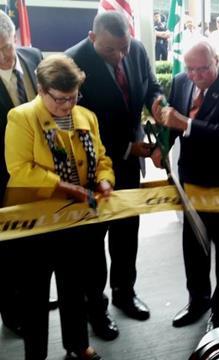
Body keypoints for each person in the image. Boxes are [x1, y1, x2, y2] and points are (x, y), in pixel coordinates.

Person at [5, 54, 114, 360]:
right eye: (60, 99)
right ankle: (36, 354)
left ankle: (78, 346)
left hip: (76, 223)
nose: (67, 106)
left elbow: (102, 158)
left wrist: (104, 180)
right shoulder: (21, 118)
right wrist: (66, 187)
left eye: (73, 97)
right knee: (35, 297)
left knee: (74, 289)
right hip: (36, 227)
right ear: (41, 90)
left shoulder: (87, 116)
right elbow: (20, 169)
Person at [66, 11, 163, 339]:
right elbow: (76, 126)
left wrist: (159, 104)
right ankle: (97, 308)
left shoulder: (133, 48)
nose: (121, 55)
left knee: (127, 232)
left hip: (130, 161)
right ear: (93, 38)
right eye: (111, 50)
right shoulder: (73, 63)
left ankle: (125, 292)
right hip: (93, 169)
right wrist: (124, 148)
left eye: (124, 47)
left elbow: (152, 86)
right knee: (93, 243)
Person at [154, 41, 219, 333]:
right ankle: (198, 301)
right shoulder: (181, 81)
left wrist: (187, 124)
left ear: (216, 62)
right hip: (191, 181)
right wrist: (162, 145)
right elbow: (172, 123)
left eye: (203, 69)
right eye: (191, 69)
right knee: (194, 248)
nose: (196, 75)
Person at [0, 9, 43, 337]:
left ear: (15, 38)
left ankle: (34, 298)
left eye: (5, 46)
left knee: (37, 244)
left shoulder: (35, 57)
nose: (2, 55)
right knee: (8, 252)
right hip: (3, 179)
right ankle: (12, 313)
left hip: (42, 174)